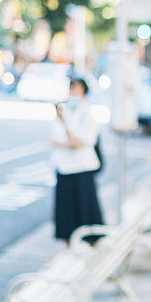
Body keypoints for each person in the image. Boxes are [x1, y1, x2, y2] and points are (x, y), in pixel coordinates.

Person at [51, 77, 104, 245]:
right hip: (64, 167)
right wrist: (68, 140)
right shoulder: (63, 112)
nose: (73, 93)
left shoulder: (88, 114)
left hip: (83, 168)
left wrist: (65, 128)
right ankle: (68, 243)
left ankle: (91, 243)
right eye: (71, 89)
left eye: (77, 90)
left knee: (86, 208)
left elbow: (79, 142)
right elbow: (55, 140)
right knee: (66, 209)